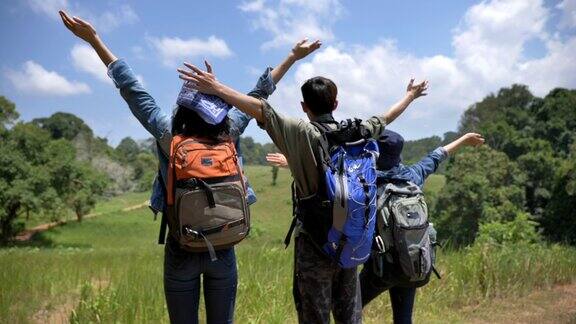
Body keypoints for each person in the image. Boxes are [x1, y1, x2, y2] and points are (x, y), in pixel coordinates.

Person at [58, 10, 320, 324]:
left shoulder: (168, 134)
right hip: (223, 245)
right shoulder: (230, 130)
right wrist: (291, 57)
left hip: (182, 244)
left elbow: (131, 89)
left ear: (182, 107)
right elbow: (258, 95)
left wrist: (94, 40)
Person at [177, 62, 428, 323]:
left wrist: (216, 88)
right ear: (336, 104)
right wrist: (410, 95)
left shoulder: (301, 132)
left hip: (315, 242)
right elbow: (387, 116)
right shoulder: (358, 130)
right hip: (351, 239)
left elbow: (259, 108)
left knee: (314, 316)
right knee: (349, 315)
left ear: (304, 106)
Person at [362, 130, 485, 324]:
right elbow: (438, 155)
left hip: (382, 268)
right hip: (411, 261)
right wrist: (465, 140)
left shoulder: (368, 181)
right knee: (403, 319)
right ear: (398, 155)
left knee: (348, 308)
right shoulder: (412, 175)